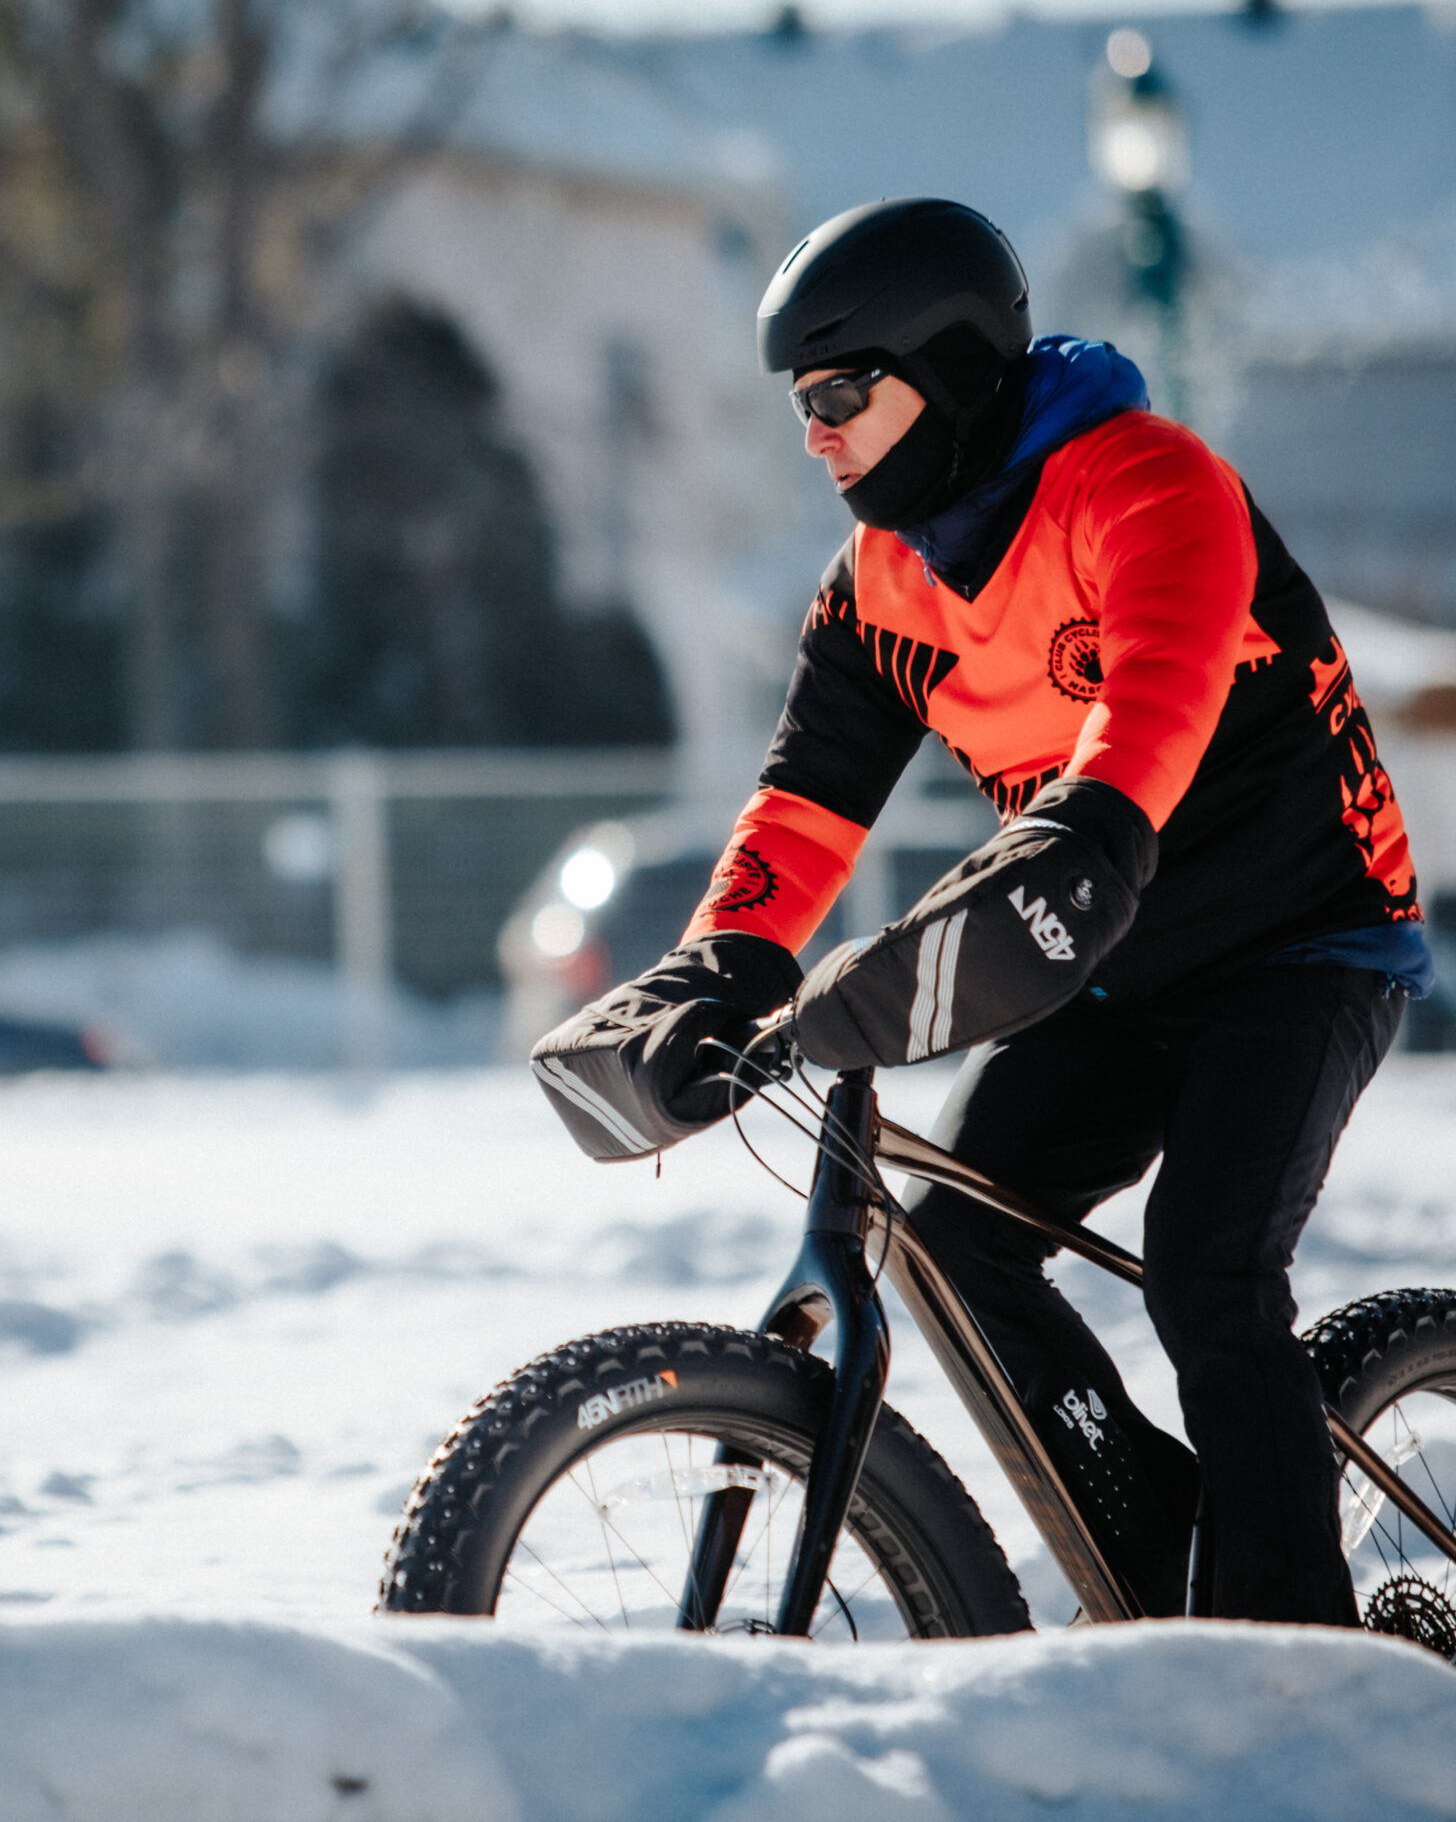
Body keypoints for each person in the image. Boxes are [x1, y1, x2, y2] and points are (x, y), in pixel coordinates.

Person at [530, 196, 1430, 1626]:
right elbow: (805, 807)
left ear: (944, 373)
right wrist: (724, 964)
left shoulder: (1146, 487)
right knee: (951, 1238)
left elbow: (1145, 729)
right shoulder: (879, 584)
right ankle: (1169, 1533)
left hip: (1304, 940)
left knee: (1209, 1260)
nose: (812, 430)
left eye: (840, 392)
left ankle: (1295, 1653)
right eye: (797, 402)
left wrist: (1059, 855)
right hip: (1121, 961)